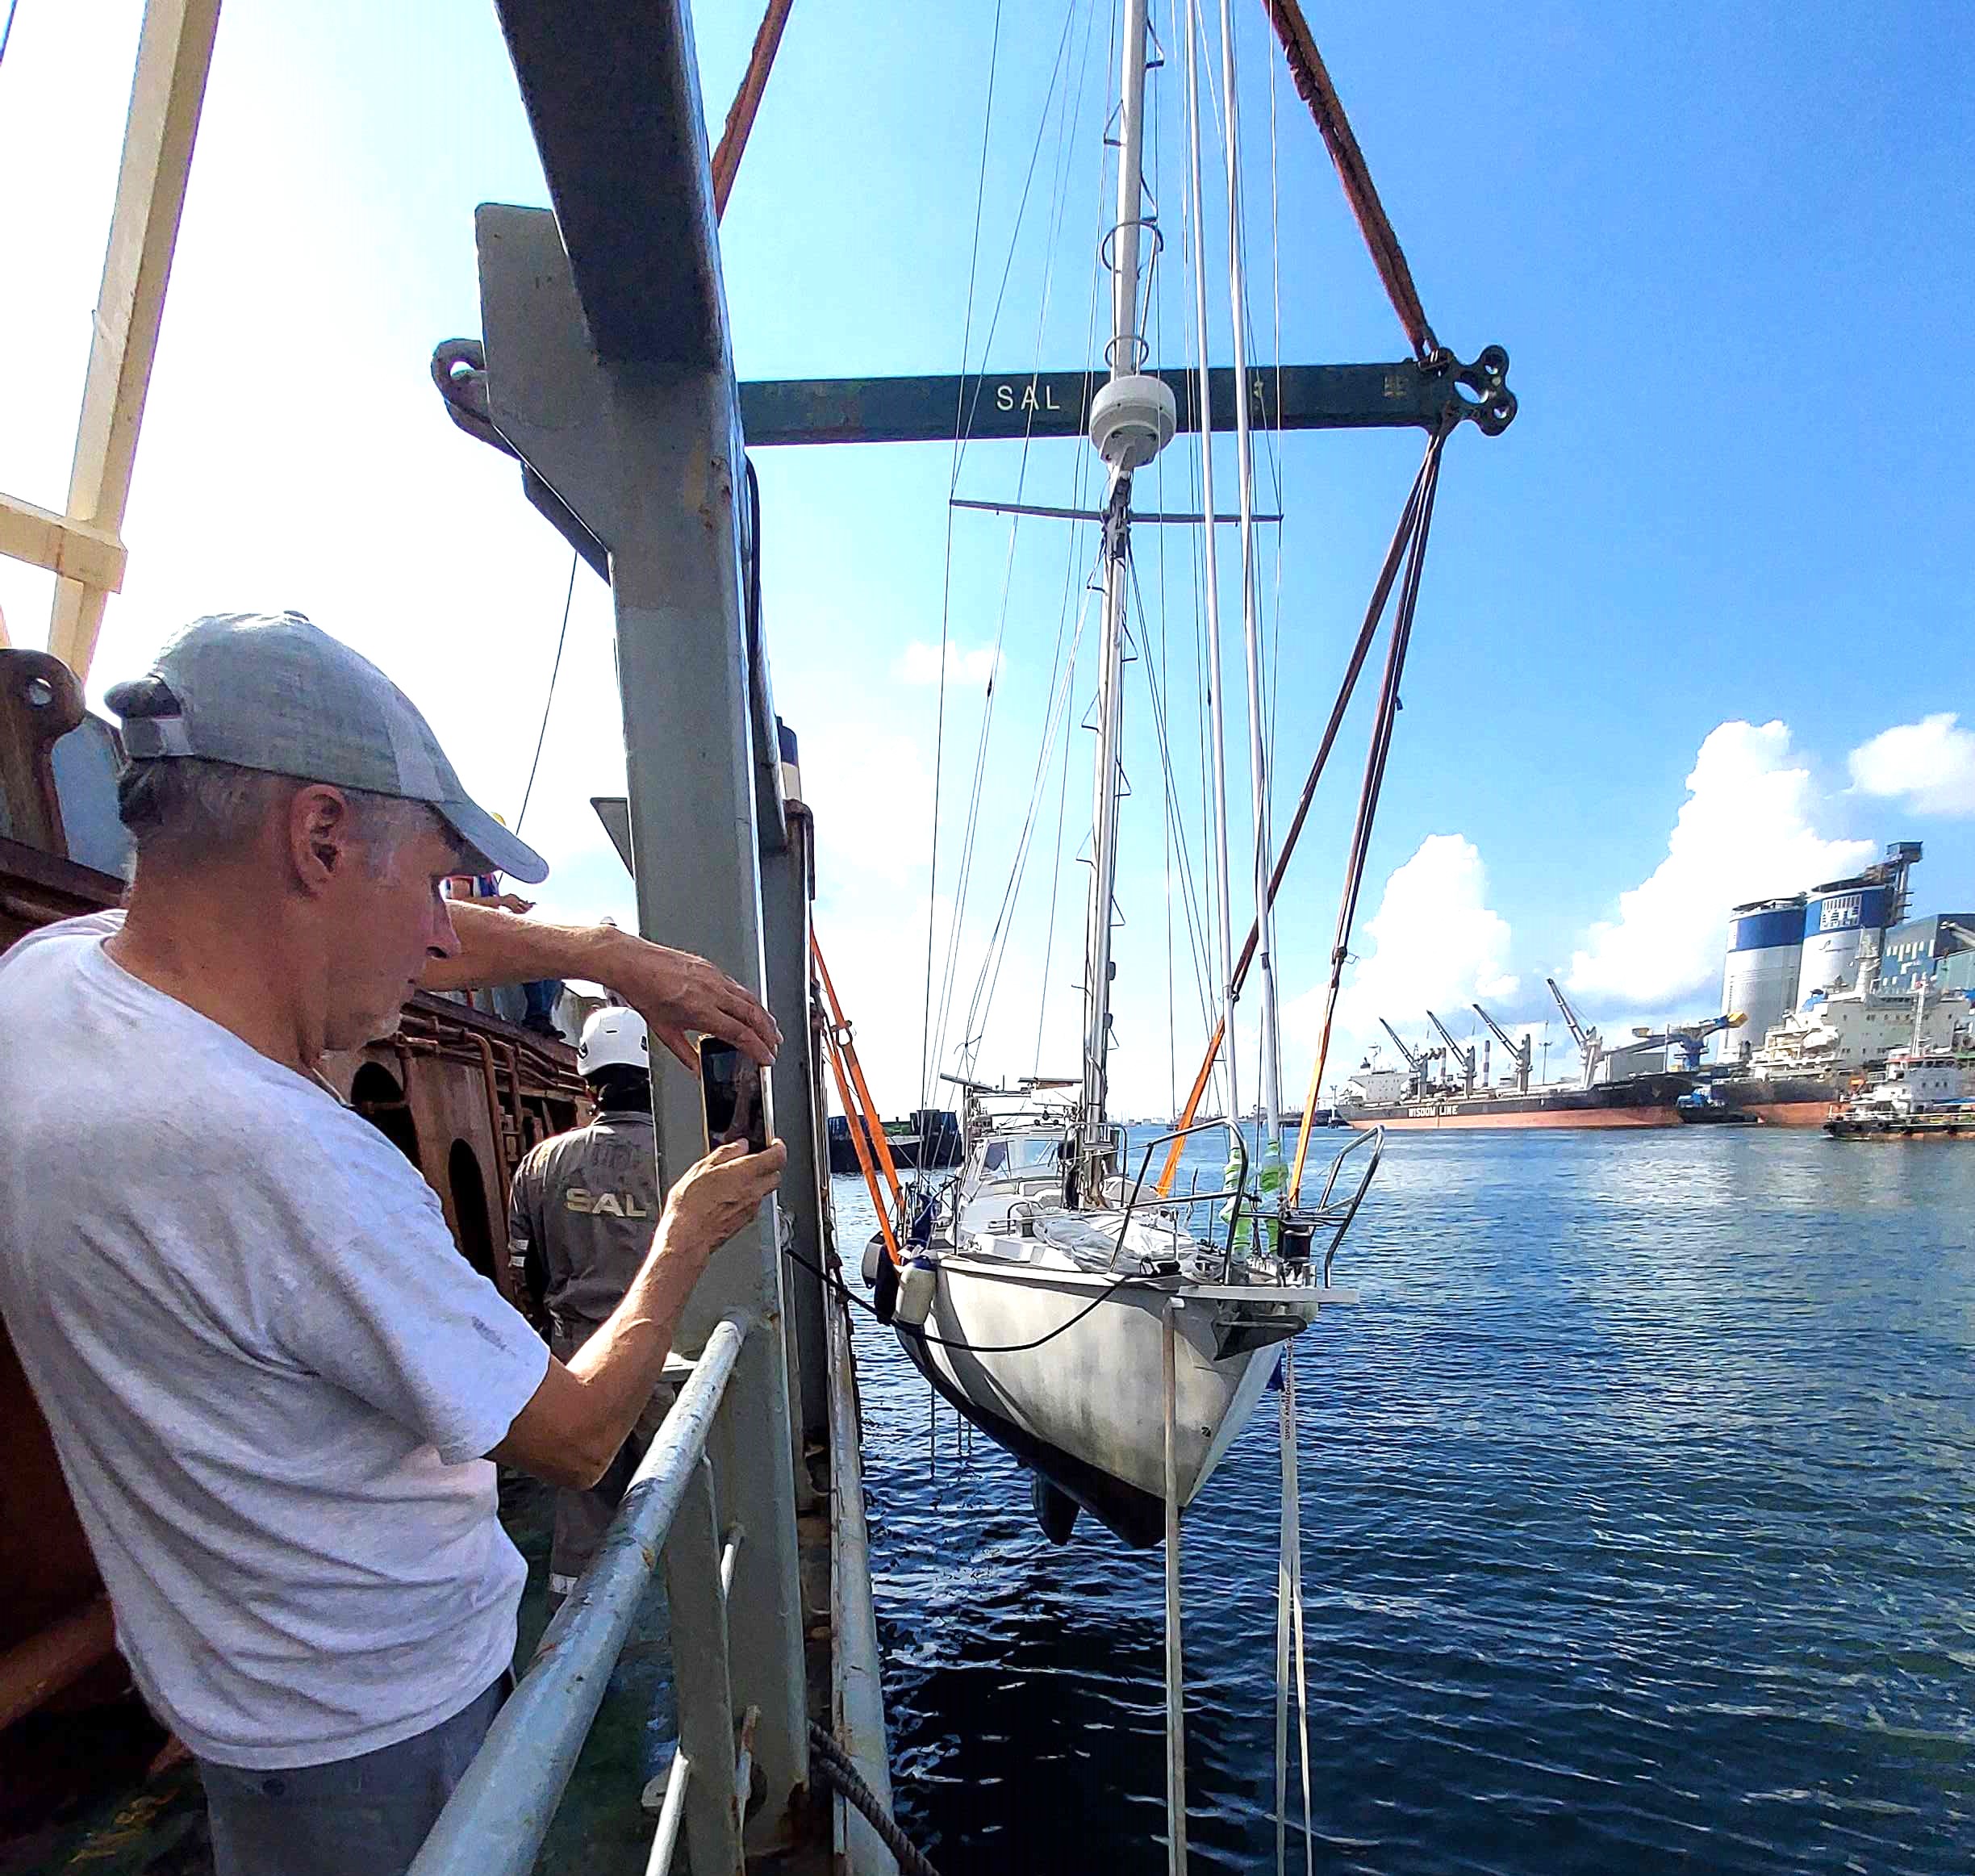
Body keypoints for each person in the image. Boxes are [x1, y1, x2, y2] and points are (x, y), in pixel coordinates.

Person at [0, 611, 786, 1876]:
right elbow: (576, 1436)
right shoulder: (288, 1158)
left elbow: (323, 937)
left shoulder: (50, 983)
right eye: (432, 884)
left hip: (240, 1691)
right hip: (378, 1728)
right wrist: (688, 1232)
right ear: (318, 837)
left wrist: (596, 951)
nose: (438, 937)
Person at [508, 1005, 668, 1602]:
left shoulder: (541, 1163)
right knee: (682, 1494)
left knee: (583, 1514)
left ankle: (573, 1638)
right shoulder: (680, 1158)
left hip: (576, 1365)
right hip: (666, 1361)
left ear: (586, 1077)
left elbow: (526, 1270)